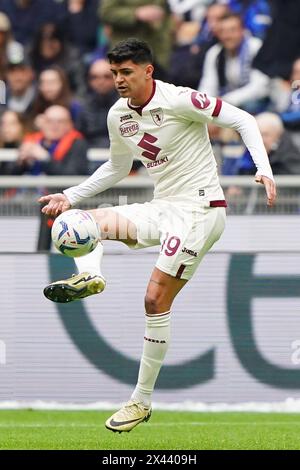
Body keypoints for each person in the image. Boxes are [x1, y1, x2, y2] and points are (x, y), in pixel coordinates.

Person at [39, 38, 276, 433]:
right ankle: (92, 275)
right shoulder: (119, 115)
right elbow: (117, 167)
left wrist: (262, 167)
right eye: (114, 73)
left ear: (148, 71)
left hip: (200, 212)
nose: (118, 80)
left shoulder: (180, 99)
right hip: (162, 208)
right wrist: (69, 195)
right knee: (78, 222)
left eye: (126, 72)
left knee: (154, 298)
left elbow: (243, 120)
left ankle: (140, 401)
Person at [199, 13, 270, 114]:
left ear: (242, 31)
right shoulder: (215, 53)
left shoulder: (256, 47)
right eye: (223, 31)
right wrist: (203, 105)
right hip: (226, 106)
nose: (227, 36)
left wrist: (225, 101)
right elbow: (208, 85)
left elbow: (259, 87)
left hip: (259, 105)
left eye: (232, 30)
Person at [76, 59, 118, 148]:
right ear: (89, 80)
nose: (101, 81)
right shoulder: (81, 107)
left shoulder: (129, 104)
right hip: (90, 155)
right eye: (94, 77)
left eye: (107, 76)